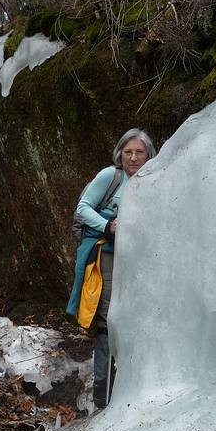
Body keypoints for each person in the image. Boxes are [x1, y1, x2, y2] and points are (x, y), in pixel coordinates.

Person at [67, 128, 156, 409]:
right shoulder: (111, 177)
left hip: (136, 258)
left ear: (148, 155)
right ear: (120, 153)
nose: (133, 158)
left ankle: (128, 389)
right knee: (107, 320)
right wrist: (108, 225)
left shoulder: (154, 181)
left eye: (139, 152)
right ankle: (102, 399)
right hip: (106, 253)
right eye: (128, 152)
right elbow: (83, 208)